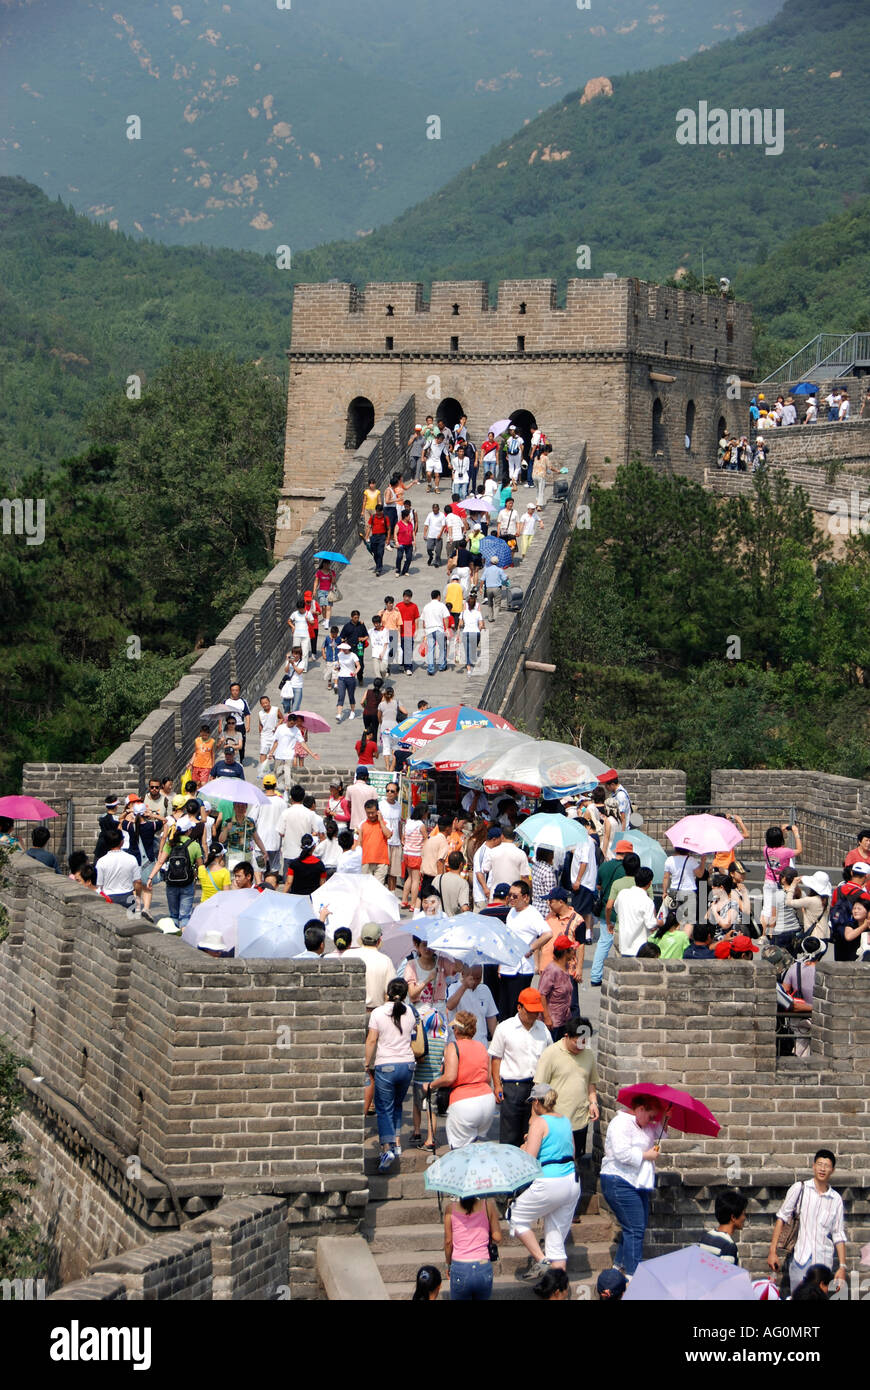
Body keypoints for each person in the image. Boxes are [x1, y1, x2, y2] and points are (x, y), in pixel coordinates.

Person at [509, 1085, 581, 1282]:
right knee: (556, 1242)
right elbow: (572, 1153)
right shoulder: (565, 1120)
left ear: (537, 1102)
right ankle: (557, 1288)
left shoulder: (539, 1123)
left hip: (550, 1182)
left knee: (514, 1216)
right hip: (571, 1182)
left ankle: (542, 1260)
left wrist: (523, 1147)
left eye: (533, 1102)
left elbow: (530, 1158)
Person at [599, 1092, 666, 1276]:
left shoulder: (643, 1126)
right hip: (618, 1180)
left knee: (636, 1226)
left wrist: (665, 1118)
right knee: (635, 1228)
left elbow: (659, 1134)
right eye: (651, 1116)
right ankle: (633, 1276)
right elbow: (622, 1153)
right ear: (640, 1109)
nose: (652, 1121)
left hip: (636, 1182)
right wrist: (646, 1155)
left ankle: (618, 1268)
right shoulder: (620, 1123)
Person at [768, 1150, 847, 1296]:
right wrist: (772, 1251)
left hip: (823, 1262)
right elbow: (782, 1218)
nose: (823, 1169)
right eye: (820, 1164)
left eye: (827, 1166)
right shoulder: (800, 1188)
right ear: (813, 1166)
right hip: (801, 1259)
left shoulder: (835, 1199)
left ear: (832, 1170)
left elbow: (838, 1234)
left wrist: (842, 1266)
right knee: (798, 1297)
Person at [488, 987, 552, 1147]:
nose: (534, 1016)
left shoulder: (542, 1029)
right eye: (530, 1011)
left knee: (534, 1134)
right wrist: (497, 1085)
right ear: (519, 1007)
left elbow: (550, 1056)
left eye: (537, 1012)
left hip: (538, 1086)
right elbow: (496, 1058)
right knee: (511, 1135)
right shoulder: (505, 1028)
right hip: (513, 1087)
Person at [365, 978, 417, 1171]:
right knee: (396, 1105)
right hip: (407, 1065)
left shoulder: (378, 1013)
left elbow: (372, 1040)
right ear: (404, 995)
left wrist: (365, 1063)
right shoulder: (410, 1011)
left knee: (383, 1108)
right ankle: (396, 1144)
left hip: (386, 1064)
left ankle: (387, 1148)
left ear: (387, 993)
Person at [534, 1016, 600, 1165]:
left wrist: (593, 1102)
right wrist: (534, 1120)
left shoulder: (588, 1054)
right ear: (567, 1036)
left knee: (575, 1160)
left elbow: (591, 1082)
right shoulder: (551, 1053)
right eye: (576, 1042)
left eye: (584, 1043)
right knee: (556, 1159)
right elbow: (538, 1089)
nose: (580, 1047)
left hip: (579, 1120)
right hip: (556, 1122)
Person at [426, 1010, 496, 1148]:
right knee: (476, 1148)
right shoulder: (482, 1047)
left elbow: (450, 1077)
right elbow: (488, 1078)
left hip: (464, 1103)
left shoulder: (454, 1047)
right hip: (487, 1100)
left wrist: (431, 1085)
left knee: (460, 1152)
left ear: (457, 1030)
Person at [443, 1192, 501, 1302]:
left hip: (460, 1266)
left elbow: (448, 1241)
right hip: (483, 1265)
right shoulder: (488, 1206)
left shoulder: (450, 1209)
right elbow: (497, 1237)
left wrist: (448, 1263)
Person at [147, 819, 203, 929]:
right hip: (187, 883)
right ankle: (183, 938)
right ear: (189, 831)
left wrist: (150, 878)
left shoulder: (170, 843)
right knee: (185, 916)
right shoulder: (194, 845)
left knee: (174, 915)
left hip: (171, 882)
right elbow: (200, 866)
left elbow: (160, 862)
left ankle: (174, 933)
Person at [346, 922, 395, 1015]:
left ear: (361, 938)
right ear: (379, 940)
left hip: (349, 1011)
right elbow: (390, 992)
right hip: (375, 1013)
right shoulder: (385, 961)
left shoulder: (348, 955)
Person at [446, 965, 499, 1045]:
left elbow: (491, 1017)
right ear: (463, 974)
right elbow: (450, 1005)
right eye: (472, 978)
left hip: (481, 1043)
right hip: (459, 1043)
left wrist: (496, 1041)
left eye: (478, 978)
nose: (474, 982)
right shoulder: (453, 987)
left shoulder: (485, 989)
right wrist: (464, 987)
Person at [762, 823, 802, 920]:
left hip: (769, 881)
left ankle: (764, 932)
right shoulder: (785, 852)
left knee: (767, 909)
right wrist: (796, 833)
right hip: (782, 882)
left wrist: (781, 831)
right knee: (782, 909)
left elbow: (775, 841)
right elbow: (799, 850)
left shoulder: (765, 849)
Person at [615, 866, 657, 957]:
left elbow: (616, 908)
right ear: (649, 883)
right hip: (640, 947)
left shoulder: (623, 893)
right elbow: (651, 924)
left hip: (624, 944)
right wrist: (660, 922)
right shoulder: (647, 901)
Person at [95, 828, 142, 908]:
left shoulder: (101, 861)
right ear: (122, 842)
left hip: (109, 897)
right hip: (128, 897)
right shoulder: (131, 858)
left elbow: (99, 885)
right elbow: (138, 882)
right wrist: (137, 896)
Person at [698, 1190, 748, 1264]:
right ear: (733, 1217)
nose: (744, 1218)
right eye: (743, 1214)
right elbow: (728, 1274)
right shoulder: (729, 1245)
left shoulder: (706, 1237)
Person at [662, 846, 707, 926]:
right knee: (688, 921)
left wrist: (664, 892)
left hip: (674, 891)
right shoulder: (691, 860)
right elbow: (700, 874)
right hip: (689, 892)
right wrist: (703, 861)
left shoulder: (669, 860)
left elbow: (666, 877)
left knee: (673, 918)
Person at [400, 805, 427, 911]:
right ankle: (413, 903)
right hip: (416, 854)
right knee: (416, 880)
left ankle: (404, 900)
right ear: (422, 813)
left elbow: (403, 838)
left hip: (407, 853)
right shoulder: (421, 825)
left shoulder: (408, 823)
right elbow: (425, 839)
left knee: (409, 878)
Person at [421, 588, 451, 676]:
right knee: (442, 648)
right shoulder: (441, 605)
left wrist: (425, 630)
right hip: (439, 629)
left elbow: (423, 621)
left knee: (430, 649)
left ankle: (430, 668)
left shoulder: (426, 606)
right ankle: (442, 666)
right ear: (438, 596)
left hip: (429, 630)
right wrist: (446, 629)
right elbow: (446, 618)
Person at [334, 642, 361, 722]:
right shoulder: (340, 654)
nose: (343, 650)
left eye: (344, 649)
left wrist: (355, 672)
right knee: (341, 695)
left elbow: (358, 665)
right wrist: (337, 667)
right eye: (342, 649)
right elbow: (339, 664)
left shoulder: (353, 655)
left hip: (350, 678)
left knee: (351, 695)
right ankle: (339, 714)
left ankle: (352, 711)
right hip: (341, 677)